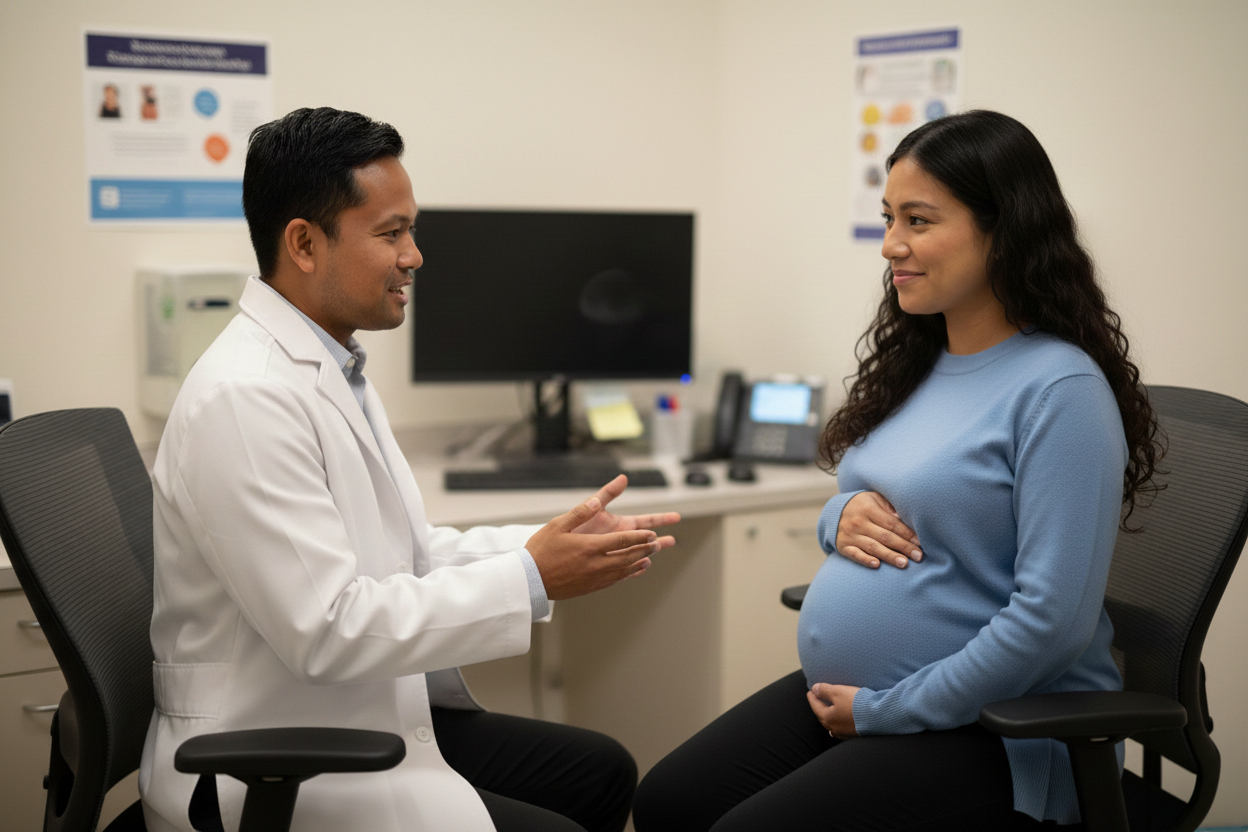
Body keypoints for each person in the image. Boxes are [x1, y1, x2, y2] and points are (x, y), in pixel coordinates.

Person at [140, 107, 680, 832]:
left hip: (346, 712)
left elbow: (401, 552)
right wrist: (532, 577)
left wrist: (546, 544)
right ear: (303, 243)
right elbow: (328, 629)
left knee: (602, 769)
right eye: (391, 233)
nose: (415, 255)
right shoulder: (248, 397)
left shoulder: (332, 365)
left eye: (411, 230)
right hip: (268, 757)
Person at [633, 110, 1162, 831]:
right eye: (889, 218)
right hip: (867, 700)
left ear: (1004, 229)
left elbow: (1052, 625)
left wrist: (888, 710)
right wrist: (835, 518)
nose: (890, 245)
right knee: (668, 801)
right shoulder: (922, 361)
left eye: (918, 220)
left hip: (995, 731)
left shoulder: (1058, 391)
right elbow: (870, 495)